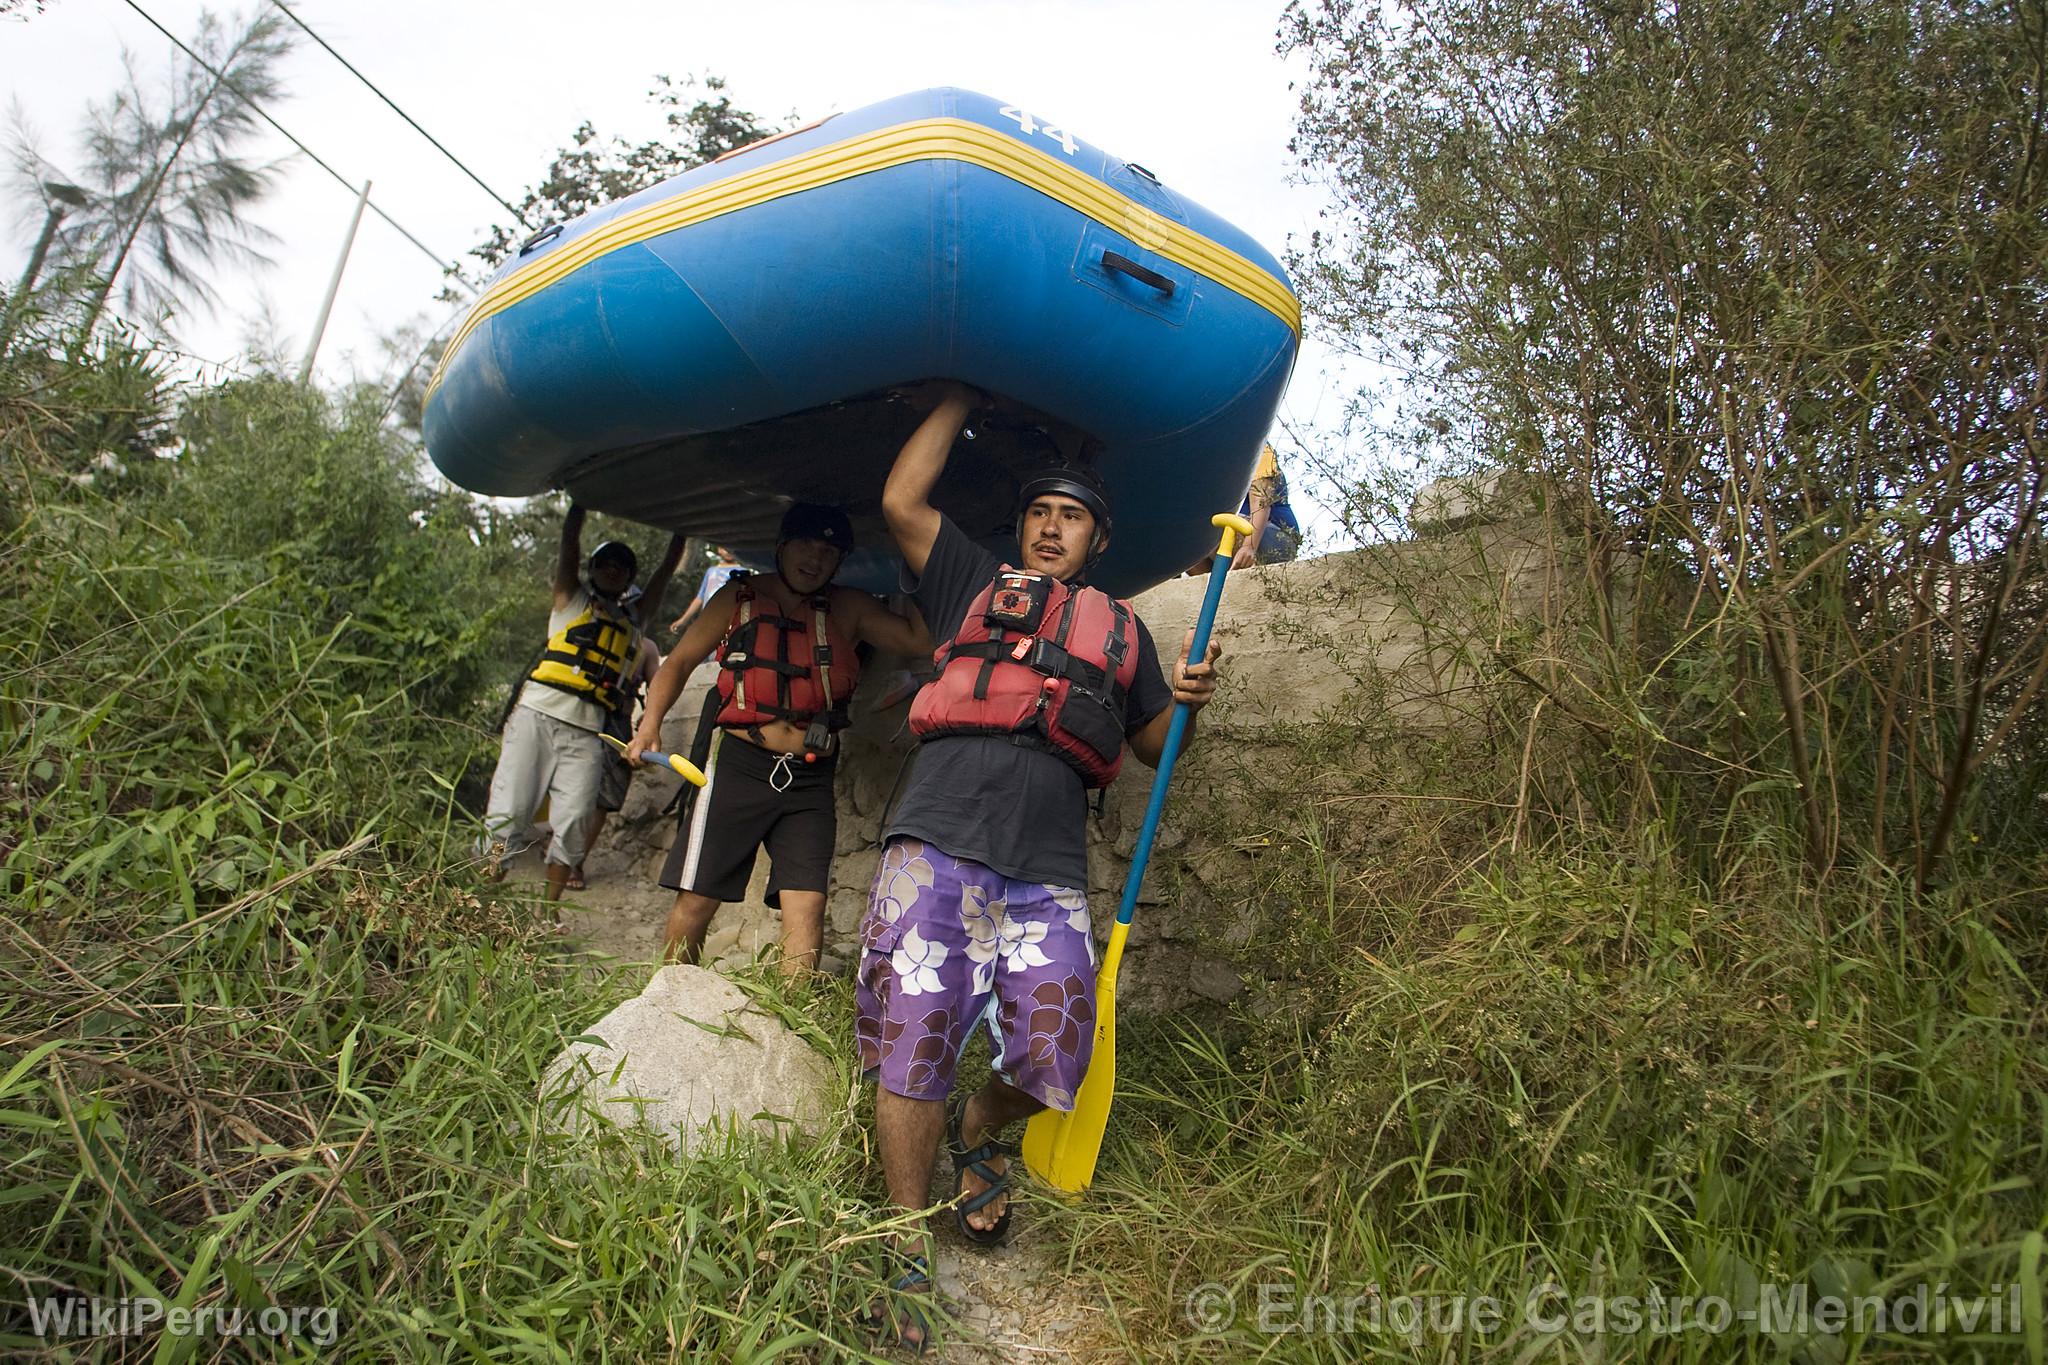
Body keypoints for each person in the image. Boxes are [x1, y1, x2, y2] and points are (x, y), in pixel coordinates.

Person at [861, 382, 1220, 1344]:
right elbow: (901, 499)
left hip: (1047, 865)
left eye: (1072, 516)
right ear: (1021, 527)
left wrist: (1189, 702)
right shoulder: (970, 580)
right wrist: (959, 393)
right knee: (914, 1045)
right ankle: (905, 1243)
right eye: (1041, 512)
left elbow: (1154, 746)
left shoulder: (1125, 631)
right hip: (937, 839)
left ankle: (978, 1126)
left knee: (1060, 1050)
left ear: (1098, 539)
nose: (1053, 527)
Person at [627, 503, 927, 978]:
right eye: (805, 544)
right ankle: (665, 996)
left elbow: (917, 642)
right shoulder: (738, 596)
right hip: (737, 765)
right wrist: (650, 724)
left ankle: (793, 1012)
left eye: (828, 551)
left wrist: (915, 562)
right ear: (782, 547)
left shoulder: (849, 607)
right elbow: (678, 662)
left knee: (806, 906)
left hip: (809, 777)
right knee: (697, 898)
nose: (815, 558)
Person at [481, 506, 683, 901]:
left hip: (589, 730)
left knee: (575, 820)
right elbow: (569, 544)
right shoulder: (570, 599)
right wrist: (579, 505)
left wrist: (681, 533)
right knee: (507, 815)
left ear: (630, 578)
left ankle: (549, 910)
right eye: (606, 564)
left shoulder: (636, 619)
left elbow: (665, 572)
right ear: (593, 569)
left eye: (622, 567)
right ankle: (481, 898)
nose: (613, 570)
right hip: (537, 717)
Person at [571, 631, 662, 891]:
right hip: (579, 717)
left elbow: (657, 684)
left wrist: (651, 719)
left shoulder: (646, 647)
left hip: (617, 725)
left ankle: (575, 861)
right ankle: (556, 843)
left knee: (604, 797)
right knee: (568, 786)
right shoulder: (591, 632)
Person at [1237, 443, 1302, 567]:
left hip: (1273, 534)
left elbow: (1261, 503)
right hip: (1237, 533)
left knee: (1212, 529)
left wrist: (1249, 546)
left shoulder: (1257, 447)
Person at [667, 544, 744, 634]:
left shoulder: (742, 572)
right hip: (708, 620)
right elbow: (700, 598)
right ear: (719, 549)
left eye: (731, 548)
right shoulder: (711, 571)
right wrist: (683, 620)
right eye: (725, 548)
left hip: (730, 622)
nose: (728, 552)